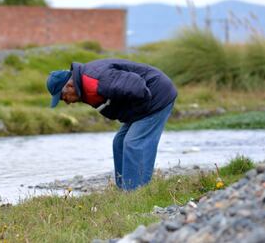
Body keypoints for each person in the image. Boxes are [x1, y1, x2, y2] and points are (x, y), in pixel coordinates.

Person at [46, 58, 177, 191]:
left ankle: (137, 192)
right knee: (119, 142)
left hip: (158, 95)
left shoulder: (96, 80)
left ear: (69, 86)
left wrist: (138, 113)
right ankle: (124, 189)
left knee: (134, 142)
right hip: (146, 100)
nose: (66, 102)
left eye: (63, 97)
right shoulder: (83, 85)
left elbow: (137, 87)